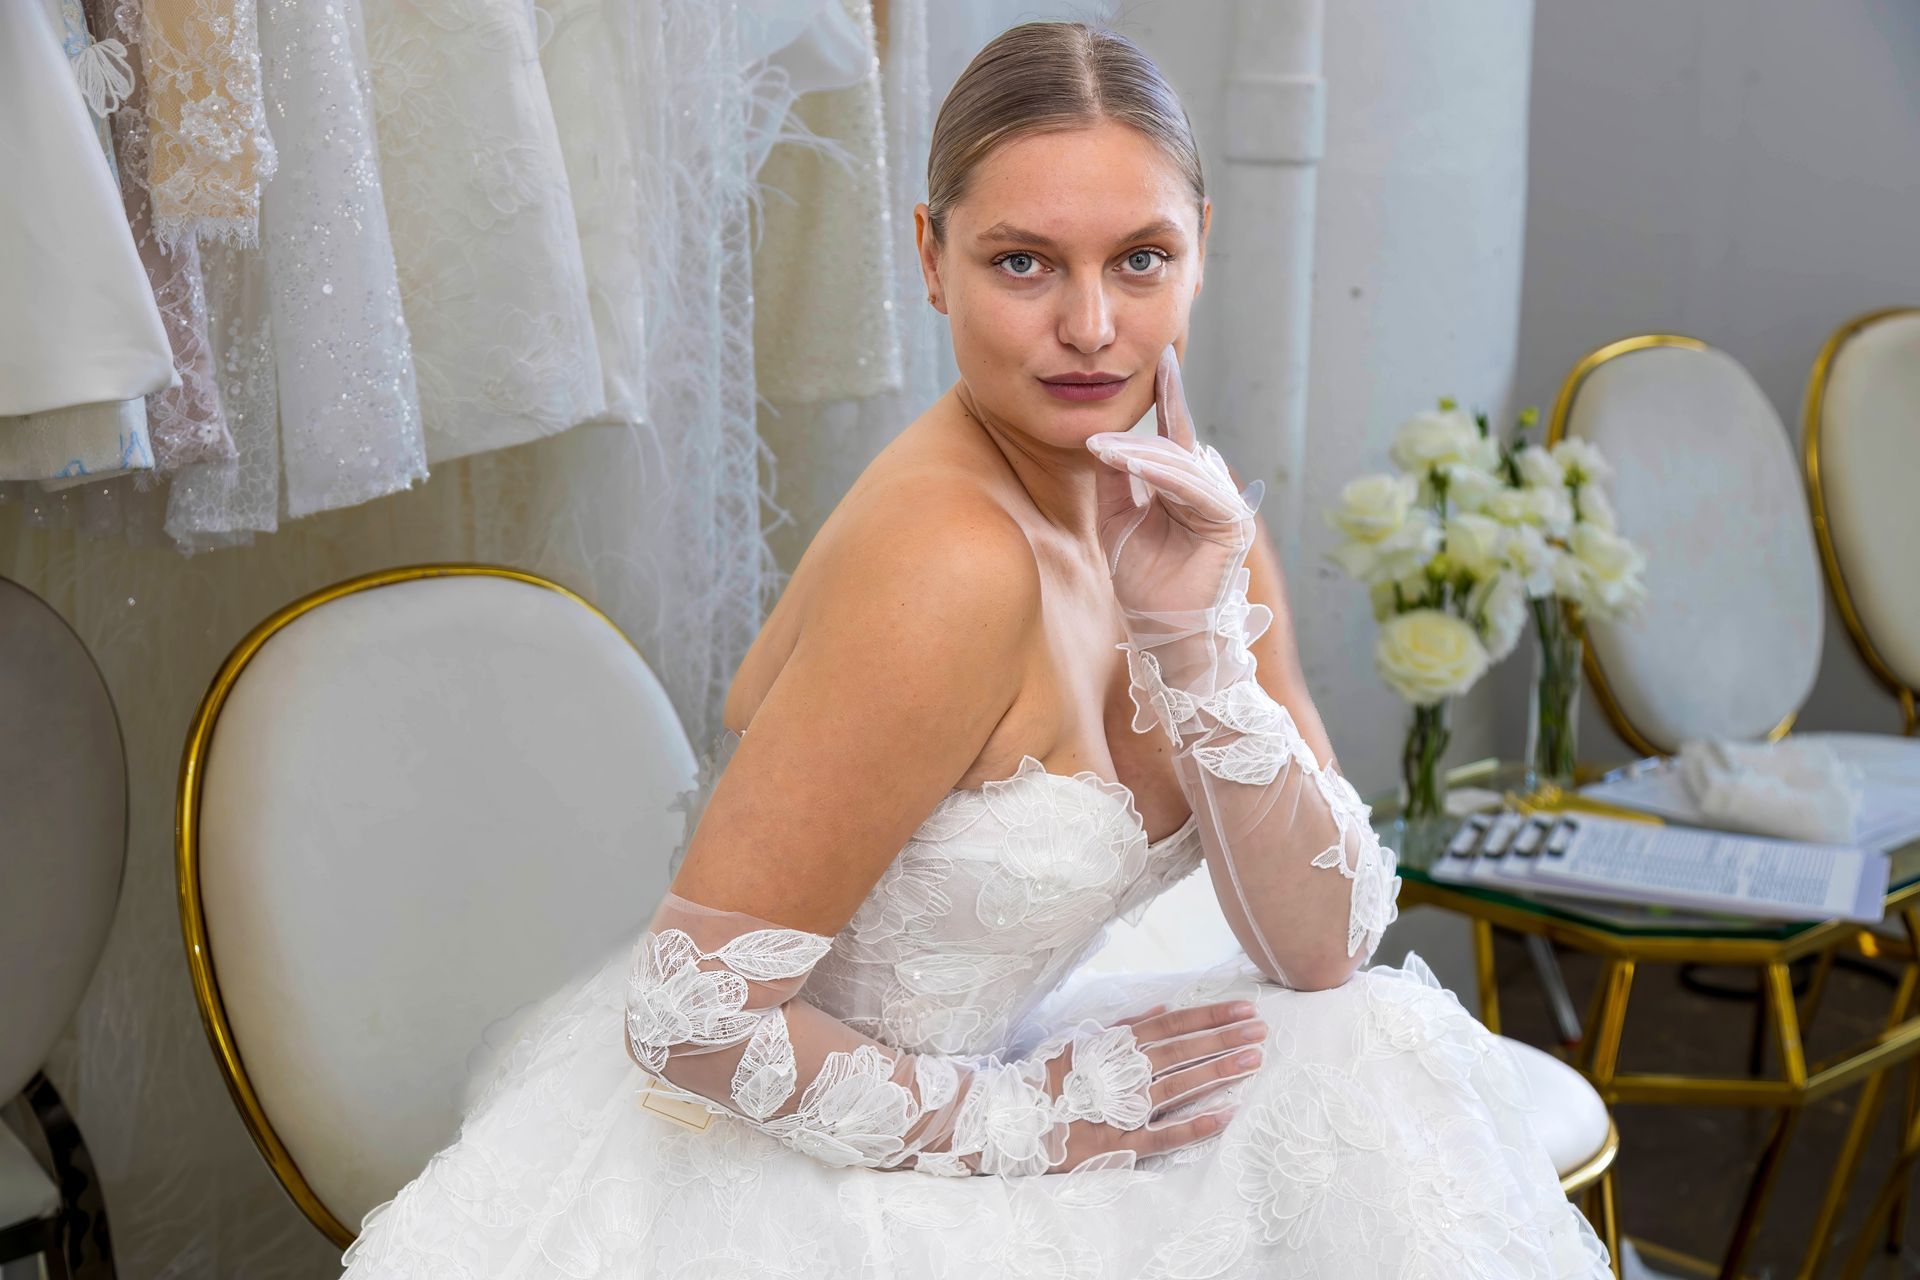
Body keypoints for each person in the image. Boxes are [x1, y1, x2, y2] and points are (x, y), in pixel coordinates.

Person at [339, 20, 1612, 1278]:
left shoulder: (1186, 507)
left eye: (1142, 258)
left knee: (1364, 1043)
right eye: (1022, 263)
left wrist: (1195, 647)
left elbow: (1322, 950)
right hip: (802, 1147)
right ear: (932, 259)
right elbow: (690, 1014)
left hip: (991, 1050)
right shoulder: (947, 564)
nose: (1092, 325)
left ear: (1201, 250)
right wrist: (1032, 1118)